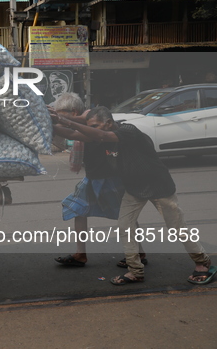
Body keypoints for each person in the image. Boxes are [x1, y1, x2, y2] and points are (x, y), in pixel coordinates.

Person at [51, 106, 215, 285]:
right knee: (125, 226)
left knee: (177, 228)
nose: (93, 129)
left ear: (108, 123)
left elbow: (100, 135)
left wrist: (64, 120)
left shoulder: (128, 131)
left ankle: (202, 262)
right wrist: (47, 123)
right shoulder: (99, 135)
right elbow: (73, 134)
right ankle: (135, 271)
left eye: (96, 125)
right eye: (91, 126)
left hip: (158, 185)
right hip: (134, 188)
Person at [50, 93, 146, 268]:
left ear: (74, 111)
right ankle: (80, 254)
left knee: (126, 217)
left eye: (62, 113)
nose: (59, 117)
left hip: (111, 178)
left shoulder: (93, 119)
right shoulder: (87, 121)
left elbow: (72, 131)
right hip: (92, 177)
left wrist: (53, 122)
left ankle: (138, 252)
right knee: (77, 209)